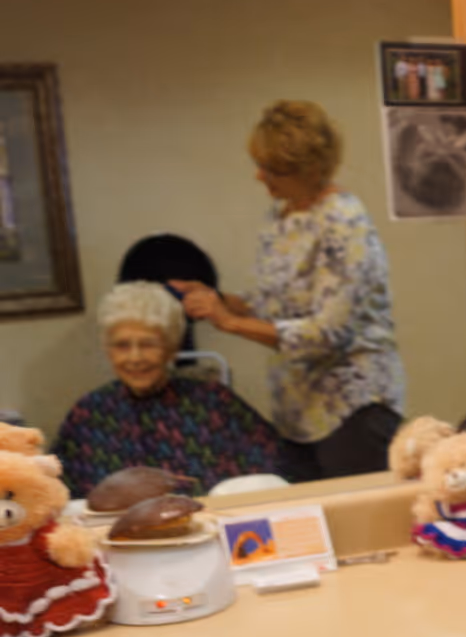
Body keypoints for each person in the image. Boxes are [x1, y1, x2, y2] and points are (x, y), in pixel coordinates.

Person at [172, 100, 406, 480]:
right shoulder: (281, 216)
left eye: (272, 169)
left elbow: (327, 333)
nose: (260, 177)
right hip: (296, 412)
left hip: (352, 411)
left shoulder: (344, 223)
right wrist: (220, 301)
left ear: (310, 169)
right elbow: (274, 306)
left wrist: (228, 322)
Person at [53, 282, 284, 498]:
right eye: (122, 345)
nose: (135, 358)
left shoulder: (214, 404)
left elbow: (271, 481)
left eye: (148, 344)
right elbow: (59, 498)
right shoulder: (88, 415)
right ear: (108, 351)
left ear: (172, 349)